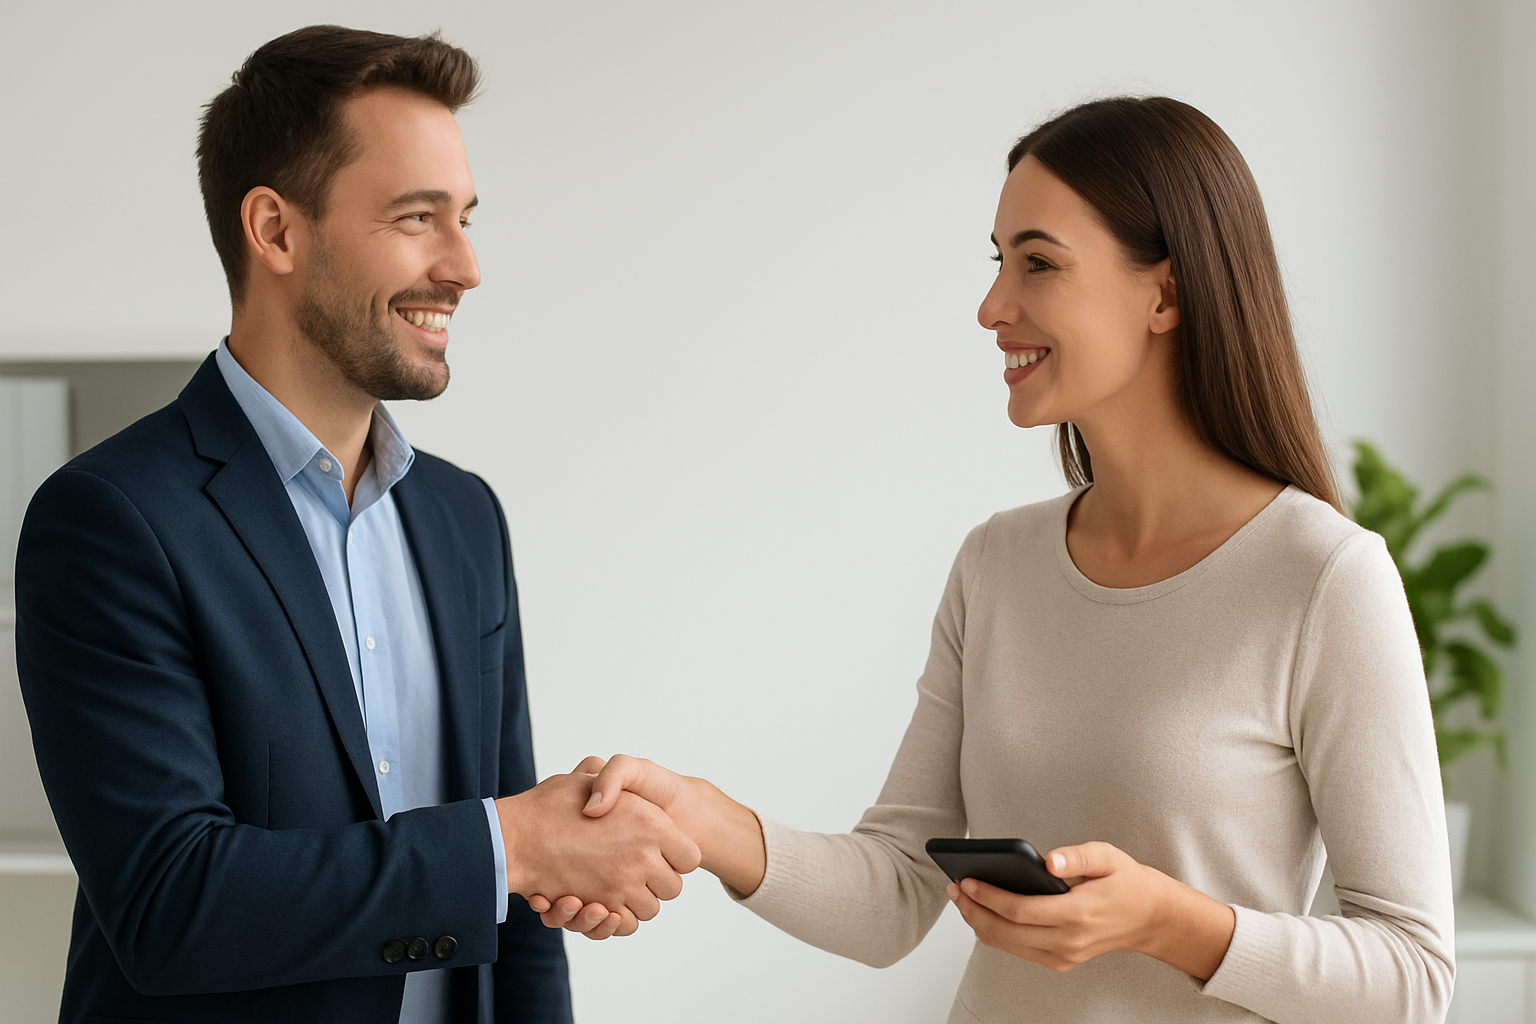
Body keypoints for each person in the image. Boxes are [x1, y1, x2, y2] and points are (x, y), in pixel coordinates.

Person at [530, 97, 1456, 1023]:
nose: (992, 307)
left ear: (1165, 296)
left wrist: (1168, 922)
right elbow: (896, 893)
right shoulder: (999, 564)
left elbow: (1414, 978)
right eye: (999, 261)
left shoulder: (1323, 578)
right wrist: (703, 818)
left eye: (1038, 263)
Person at [15, 25, 698, 1024]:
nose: (465, 266)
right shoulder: (111, 518)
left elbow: (521, 921)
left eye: (465, 218)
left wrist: (531, 850)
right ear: (276, 231)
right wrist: (511, 843)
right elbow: (171, 903)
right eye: (418, 217)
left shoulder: (463, 517)